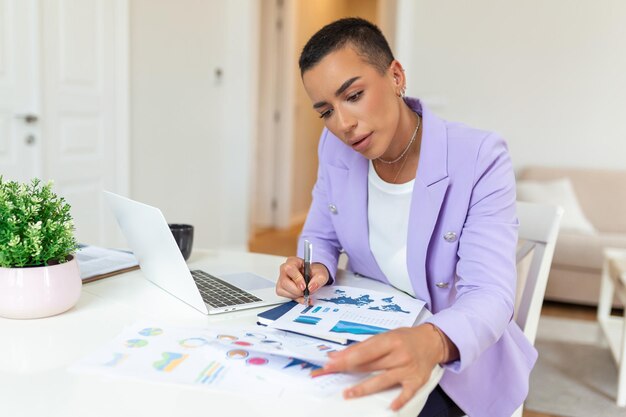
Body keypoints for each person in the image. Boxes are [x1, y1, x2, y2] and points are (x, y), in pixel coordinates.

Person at [275, 17, 536, 417]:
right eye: (326, 111)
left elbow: (491, 293)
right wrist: (314, 267)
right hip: (363, 332)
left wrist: (431, 340)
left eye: (355, 95)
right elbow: (320, 236)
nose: (343, 124)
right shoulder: (334, 148)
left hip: (453, 362)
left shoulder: (480, 157)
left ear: (396, 76)